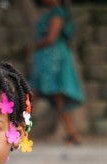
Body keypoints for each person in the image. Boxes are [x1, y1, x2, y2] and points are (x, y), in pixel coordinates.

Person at [30, 0, 84, 145]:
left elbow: (51, 38)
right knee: (44, 96)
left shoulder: (58, 13)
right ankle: (72, 133)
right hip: (48, 59)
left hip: (53, 61)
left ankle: (17, 130)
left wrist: (36, 45)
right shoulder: (52, 12)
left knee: (51, 96)